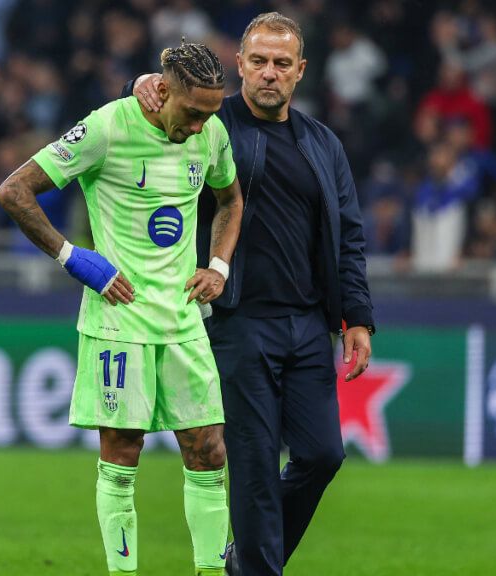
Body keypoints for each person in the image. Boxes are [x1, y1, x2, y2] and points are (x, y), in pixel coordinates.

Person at [126, 12, 375, 576]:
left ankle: (244, 562)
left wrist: (356, 316)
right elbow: (149, 118)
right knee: (255, 465)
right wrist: (139, 83)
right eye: (258, 61)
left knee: (322, 455)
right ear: (238, 64)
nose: (269, 73)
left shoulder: (323, 144)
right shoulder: (211, 125)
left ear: (300, 70)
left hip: (308, 324)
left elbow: (349, 237)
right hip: (236, 322)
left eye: (281, 63)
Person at [0, 41, 243, 576]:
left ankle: (211, 572)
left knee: (209, 451)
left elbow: (230, 197)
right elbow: (14, 191)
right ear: (162, 91)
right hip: (119, 320)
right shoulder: (108, 126)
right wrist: (74, 258)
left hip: (183, 319)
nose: (200, 126)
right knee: (123, 452)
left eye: (209, 115)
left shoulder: (212, 133)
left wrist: (219, 266)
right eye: (192, 113)